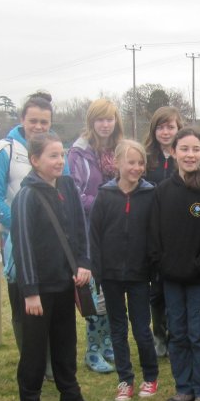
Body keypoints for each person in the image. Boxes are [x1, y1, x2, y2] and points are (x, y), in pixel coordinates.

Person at [11, 133, 101, 401]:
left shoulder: (66, 186)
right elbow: (23, 245)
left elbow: (78, 228)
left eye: (61, 155)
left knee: (65, 343)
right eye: (52, 156)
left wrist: (83, 263)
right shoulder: (27, 197)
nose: (59, 161)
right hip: (38, 289)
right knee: (35, 349)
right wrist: (30, 292)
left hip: (65, 283)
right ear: (35, 160)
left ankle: (70, 398)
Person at [149, 128, 200, 401]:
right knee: (177, 332)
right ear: (173, 152)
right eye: (184, 149)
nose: (190, 155)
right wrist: (163, 266)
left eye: (195, 149)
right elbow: (154, 234)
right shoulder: (163, 191)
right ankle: (184, 387)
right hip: (171, 279)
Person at [0, 91, 59, 352]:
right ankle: (30, 356)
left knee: (50, 299)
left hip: (51, 243)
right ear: (22, 119)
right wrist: (21, 227)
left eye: (44, 122)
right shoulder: (5, 149)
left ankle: (51, 356)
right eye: (34, 121)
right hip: (15, 240)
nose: (39, 127)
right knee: (23, 300)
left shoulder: (55, 148)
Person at [90, 140, 159, 401]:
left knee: (142, 328)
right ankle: (125, 380)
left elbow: (156, 233)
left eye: (140, 162)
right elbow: (94, 235)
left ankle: (150, 377)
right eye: (131, 162)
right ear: (117, 164)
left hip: (140, 275)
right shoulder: (105, 195)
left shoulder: (150, 194)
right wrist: (97, 272)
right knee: (117, 329)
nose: (136, 167)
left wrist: (154, 269)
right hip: (111, 276)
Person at [68, 98, 123, 373]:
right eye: (100, 119)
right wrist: (105, 202)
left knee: (110, 288)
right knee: (93, 291)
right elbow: (74, 193)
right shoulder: (78, 153)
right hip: (89, 229)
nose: (105, 124)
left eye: (109, 119)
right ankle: (93, 349)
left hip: (115, 229)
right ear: (91, 121)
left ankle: (107, 342)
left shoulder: (118, 149)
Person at [144, 106, 184, 358]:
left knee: (178, 287)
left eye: (171, 126)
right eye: (161, 126)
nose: (166, 131)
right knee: (157, 289)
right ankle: (159, 335)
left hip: (180, 232)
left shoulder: (185, 154)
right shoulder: (147, 159)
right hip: (153, 231)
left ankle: (178, 334)